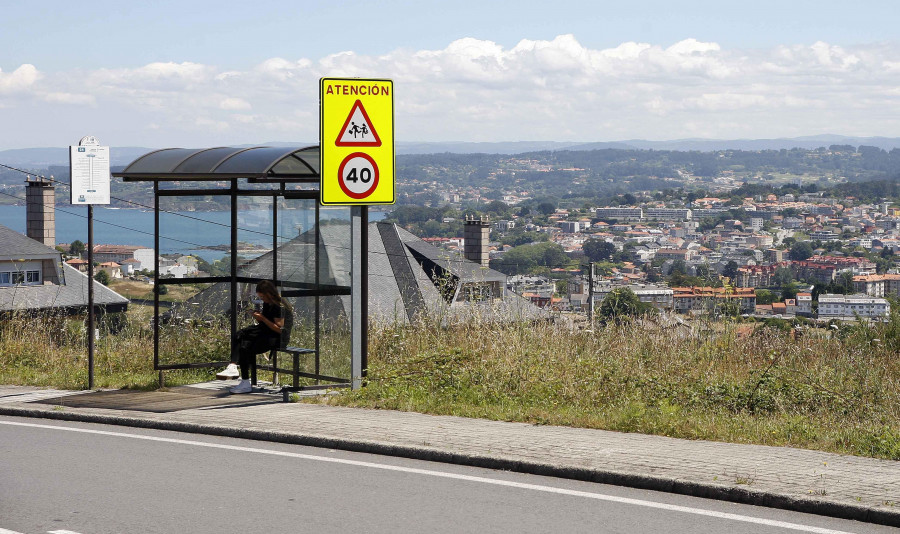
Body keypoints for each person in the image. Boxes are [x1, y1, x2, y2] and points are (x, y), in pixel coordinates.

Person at [216, 280, 288, 393]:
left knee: (246, 347)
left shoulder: (278, 306)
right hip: (264, 331)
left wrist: (263, 318)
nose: (262, 299)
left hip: (274, 338)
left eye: (263, 296)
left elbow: (279, 329)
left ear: (268, 294)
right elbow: (265, 321)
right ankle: (234, 366)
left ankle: (242, 379)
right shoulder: (267, 303)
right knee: (240, 336)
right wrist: (258, 316)